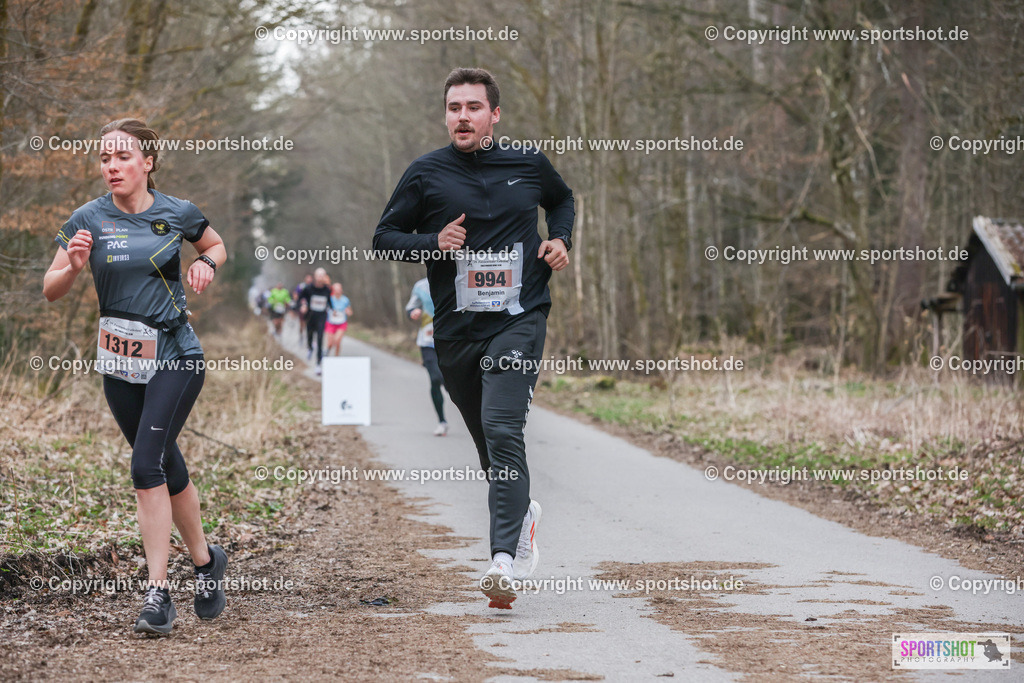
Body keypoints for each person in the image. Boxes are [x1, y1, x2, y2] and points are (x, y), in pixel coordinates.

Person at [373, 68, 574, 608]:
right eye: (454, 107)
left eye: (473, 107)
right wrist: (433, 242)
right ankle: (523, 510)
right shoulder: (426, 173)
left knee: (502, 425)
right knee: (491, 448)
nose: (463, 116)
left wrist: (560, 240)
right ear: (446, 115)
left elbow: (562, 199)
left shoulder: (527, 164)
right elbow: (384, 239)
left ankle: (502, 563)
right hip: (456, 333)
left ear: (494, 116)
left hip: (518, 318)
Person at [43, 118, 229, 634]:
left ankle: (157, 595)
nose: (111, 166)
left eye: (122, 157)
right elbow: (49, 288)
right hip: (121, 365)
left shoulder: (177, 212)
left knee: (145, 463)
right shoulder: (87, 218)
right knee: (164, 460)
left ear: (147, 162)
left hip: (175, 355)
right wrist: (74, 267)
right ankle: (206, 561)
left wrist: (206, 266)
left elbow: (216, 245)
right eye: (104, 158)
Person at [405, 277, 448, 436]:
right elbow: (410, 307)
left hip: (450, 342)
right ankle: (442, 421)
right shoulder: (421, 286)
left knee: (451, 384)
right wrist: (413, 313)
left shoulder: (455, 277)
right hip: (427, 341)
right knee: (436, 378)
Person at [299, 267, 331, 372]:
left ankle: (318, 363)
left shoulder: (327, 289)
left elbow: (329, 302)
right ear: (315, 277)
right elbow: (302, 298)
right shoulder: (308, 288)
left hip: (321, 316)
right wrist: (303, 305)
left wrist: (332, 309)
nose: (321, 277)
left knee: (320, 338)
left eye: (323, 275)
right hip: (310, 316)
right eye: (319, 275)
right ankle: (310, 348)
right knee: (310, 335)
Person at [324, 282, 352, 357]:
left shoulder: (345, 300)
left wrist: (348, 311)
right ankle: (327, 351)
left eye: (339, 289)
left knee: (337, 341)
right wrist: (331, 312)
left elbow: (350, 311)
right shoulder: (329, 299)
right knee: (330, 343)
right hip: (331, 323)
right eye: (335, 290)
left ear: (341, 290)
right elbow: (325, 309)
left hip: (341, 323)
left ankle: (336, 357)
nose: (337, 291)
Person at [295, 273, 313, 341]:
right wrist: (298, 303)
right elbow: (296, 294)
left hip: (310, 307)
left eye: (310, 278)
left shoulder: (313, 286)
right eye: (307, 278)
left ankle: (308, 336)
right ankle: (301, 335)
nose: (309, 280)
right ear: (305, 279)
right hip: (302, 306)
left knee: (308, 322)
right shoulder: (301, 286)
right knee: (302, 322)